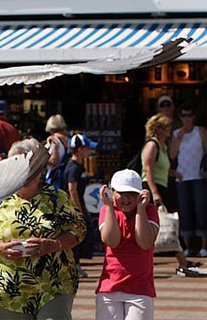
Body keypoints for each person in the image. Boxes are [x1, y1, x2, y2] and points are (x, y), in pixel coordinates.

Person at [0, 138, 86, 320]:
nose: (23, 176)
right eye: (17, 170)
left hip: (54, 284)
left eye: (29, 169)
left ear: (40, 170)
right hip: (10, 289)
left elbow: (78, 229)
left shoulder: (56, 197)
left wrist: (54, 245)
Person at [141, 113, 206, 277]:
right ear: (160, 129)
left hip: (161, 187)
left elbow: (160, 168)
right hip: (151, 190)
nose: (171, 129)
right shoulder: (152, 145)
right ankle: (181, 262)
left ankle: (182, 262)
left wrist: (174, 173)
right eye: (168, 127)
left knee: (168, 225)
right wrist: (154, 192)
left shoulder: (162, 146)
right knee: (160, 226)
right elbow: (147, 168)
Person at [96, 169, 159, 320]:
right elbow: (112, 241)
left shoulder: (149, 210)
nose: (125, 198)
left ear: (140, 193)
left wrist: (141, 210)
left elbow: (145, 242)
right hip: (109, 287)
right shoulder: (106, 210)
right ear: (112, 192)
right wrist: (110, 206)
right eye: (121, 192)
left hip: (140, 288)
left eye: (131, 193)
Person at [169, 104, 207, 257]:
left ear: (194, 116)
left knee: (201, 210)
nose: (187, 119)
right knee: (185, 211)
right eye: (184, 115)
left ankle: (203, 246)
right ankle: (187, 246)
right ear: (180, 117)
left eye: (189, 115)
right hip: (182, 177)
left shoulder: (201, 131)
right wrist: (178, 139)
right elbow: (172, 155)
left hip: (198, 176)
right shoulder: (176, 133)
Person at [63, 133, 98, 278]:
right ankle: (74, 266)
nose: (90, 151)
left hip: (76, 205)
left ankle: (75, 264)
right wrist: (77, 210)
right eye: (87, 148)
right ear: (79, 149)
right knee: (78, 234)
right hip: (73, 207)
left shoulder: (78, 166)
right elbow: (72, 188)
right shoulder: (73, 167)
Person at [44, 114, 70, 189]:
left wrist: (42, 161)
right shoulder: (67, 139)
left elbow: (53, 161)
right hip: (65, 175)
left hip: (53, 176)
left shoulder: (52, 139)